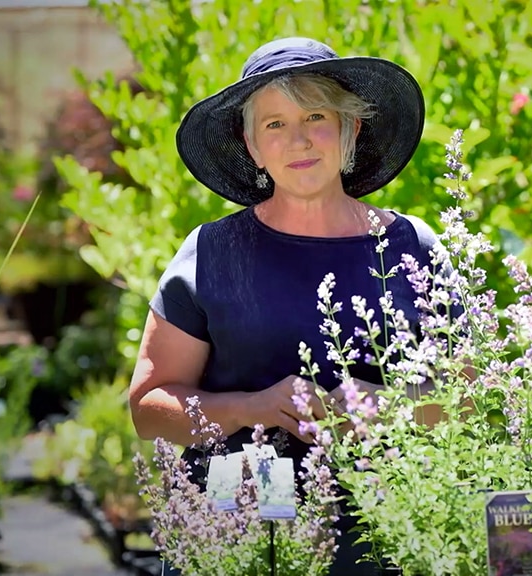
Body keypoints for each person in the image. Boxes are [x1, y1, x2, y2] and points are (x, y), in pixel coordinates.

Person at [127, 36, 450, 575]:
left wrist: (381, 405)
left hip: (389, 525)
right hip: (238, 521)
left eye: (316, 116)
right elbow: (147, 406)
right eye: (274, 124)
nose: (298, 140)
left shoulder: (411, 248)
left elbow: (464, 396)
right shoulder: (211, 252)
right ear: (252, 146)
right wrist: (251, 409)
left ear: (352, 128)